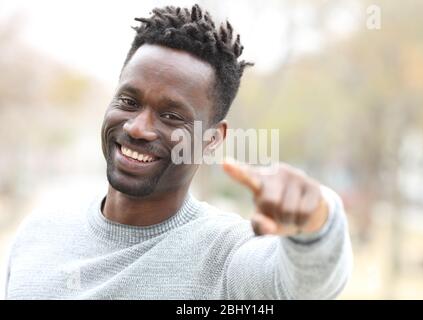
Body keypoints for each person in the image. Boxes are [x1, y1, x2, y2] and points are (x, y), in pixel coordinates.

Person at [5, 4, 352, 299]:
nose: (138, 128)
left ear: (213, 139)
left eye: (171, 116)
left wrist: (316, 223)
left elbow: (304, 285)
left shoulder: (226, 258)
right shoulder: (39, 232)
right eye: (128, 101)